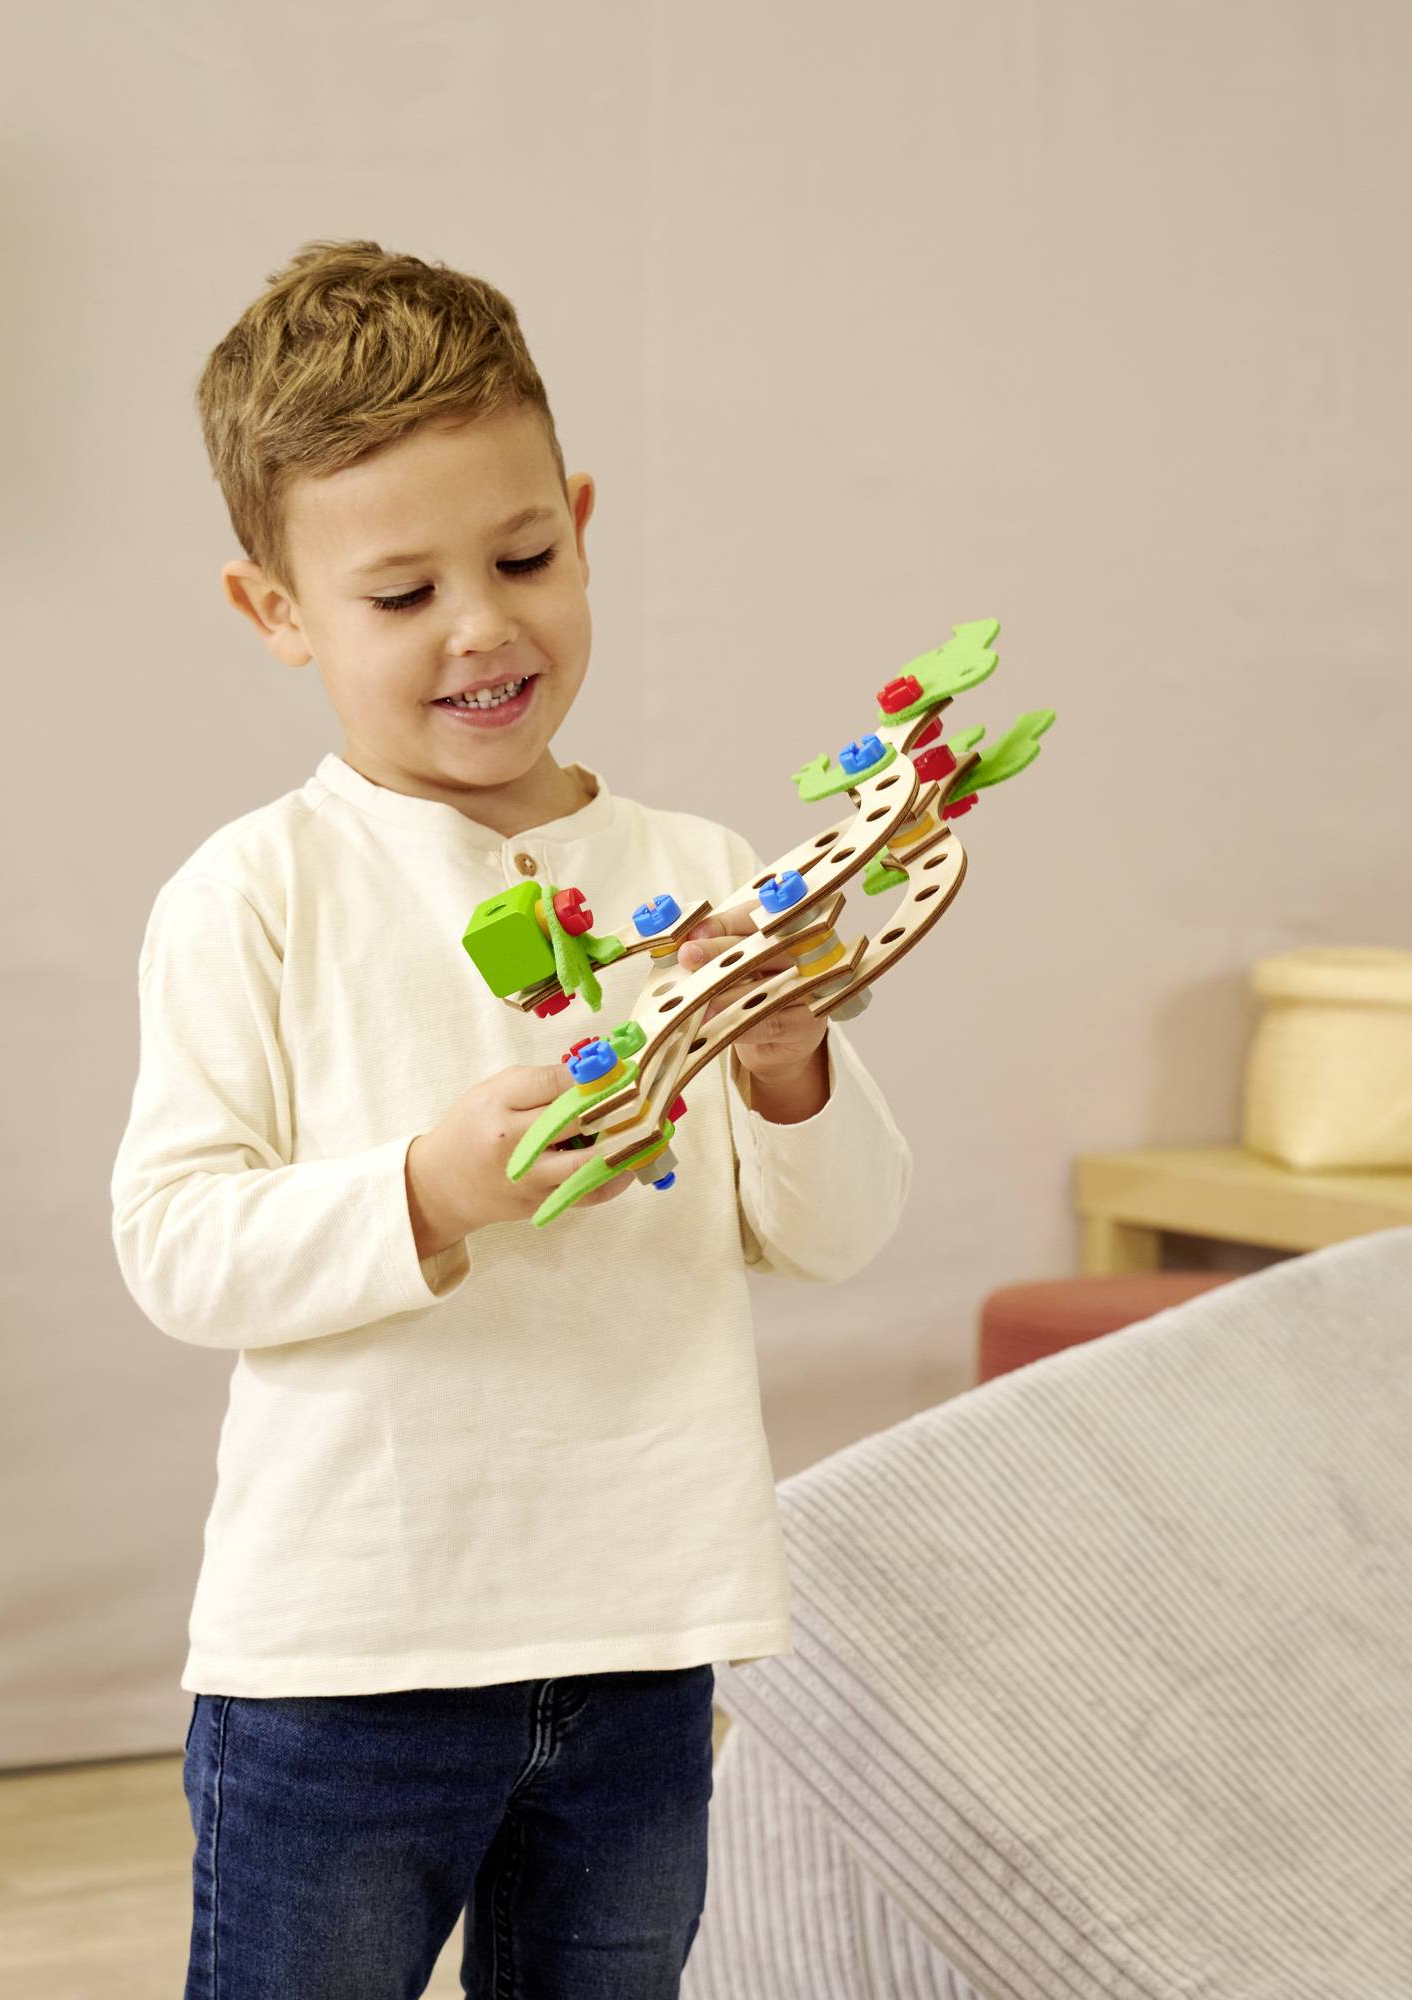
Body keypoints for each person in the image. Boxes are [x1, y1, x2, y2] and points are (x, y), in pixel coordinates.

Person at [114, 238, 913, 1999]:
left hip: (644, 1634)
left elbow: (843, 1230)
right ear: (276, 612)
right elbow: (175, 1245)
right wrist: (432, 1190)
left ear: (582, 524)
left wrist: (786, 1061)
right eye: (400, 594)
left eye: (525, 558)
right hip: (346, 1657)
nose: (481, 626)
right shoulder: (258, 892)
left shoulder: (702, 875)